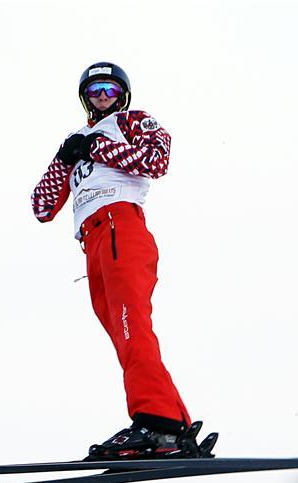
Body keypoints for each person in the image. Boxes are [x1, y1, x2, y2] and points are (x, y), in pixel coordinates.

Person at [31, 61, 199, 460]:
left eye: (109, 90)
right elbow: (41, 206)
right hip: (92, 241)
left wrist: (98, 147)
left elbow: (157, 160)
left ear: (122, 94)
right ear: (84, 98)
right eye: (94, 92)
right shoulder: (78, 138)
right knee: (126, 337)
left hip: (120, 226)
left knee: (132, 326)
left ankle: (156, 421)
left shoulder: (132, 121)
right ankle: (172, 427)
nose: (102, 98)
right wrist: (63, 156)